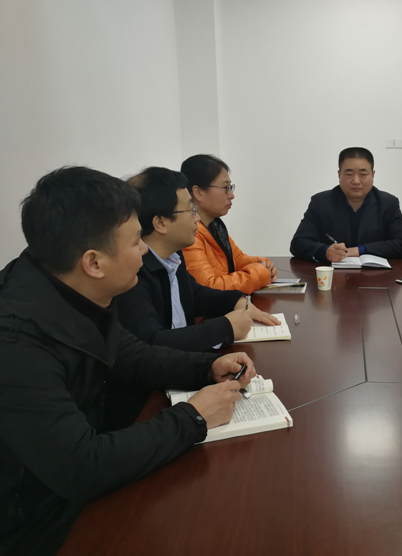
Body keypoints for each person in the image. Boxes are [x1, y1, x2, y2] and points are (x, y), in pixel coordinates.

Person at [0, 167, 257, 555]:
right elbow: (82, 466)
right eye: (136, 241)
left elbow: (130, 352)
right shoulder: (16, 342)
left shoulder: (73, 286)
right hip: (41, 523)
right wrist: (194, 417)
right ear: (94, 262)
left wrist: (205, 368)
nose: (144, 250)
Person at [112, 167, 280, 429]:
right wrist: (225, 327)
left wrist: (237, 301)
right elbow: (151, 343)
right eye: (189, 210)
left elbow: (196, 294)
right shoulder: (132, 273)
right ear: (160, 223)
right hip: (149, 399)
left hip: (182, 370)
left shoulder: (172, 255)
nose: (196, 218)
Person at [290, 147, 402, 262]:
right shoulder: (321, 202)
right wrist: (326, 251)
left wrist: (360, 250)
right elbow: (298, 243)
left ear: (373, 175)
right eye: (349, 174)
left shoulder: (388, 203)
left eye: (363, 174)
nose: (356, 181)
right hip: (333, 274)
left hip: (374, 274)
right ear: (339, 175)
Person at [181, 154, 277, 293]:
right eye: (225, 187)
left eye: (231, 187)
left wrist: (263, 264)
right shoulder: (190, 234)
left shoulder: (215, 226)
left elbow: (237, 259)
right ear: (198, 192)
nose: (231, 195)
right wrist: (260, 273)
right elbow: (209, 288)